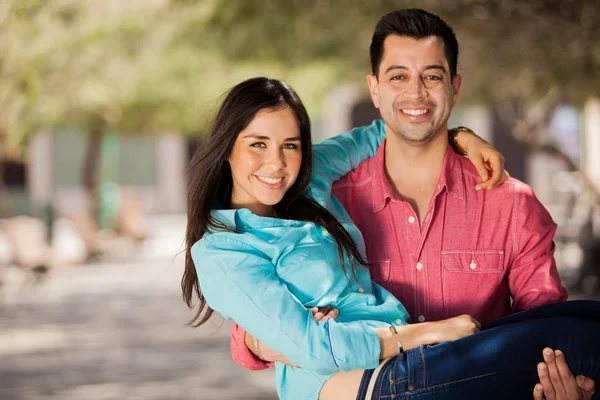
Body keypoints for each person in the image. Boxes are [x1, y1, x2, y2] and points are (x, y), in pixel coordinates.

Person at [230, 9, 597, 399]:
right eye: (398, 76)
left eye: (432, 76)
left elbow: (544, 333)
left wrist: (567, 387)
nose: (416, 93)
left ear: (455, 87)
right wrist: (259, 340)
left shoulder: (512, 204)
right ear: (374, 88)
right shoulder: (322, 200)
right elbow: (254, 293)